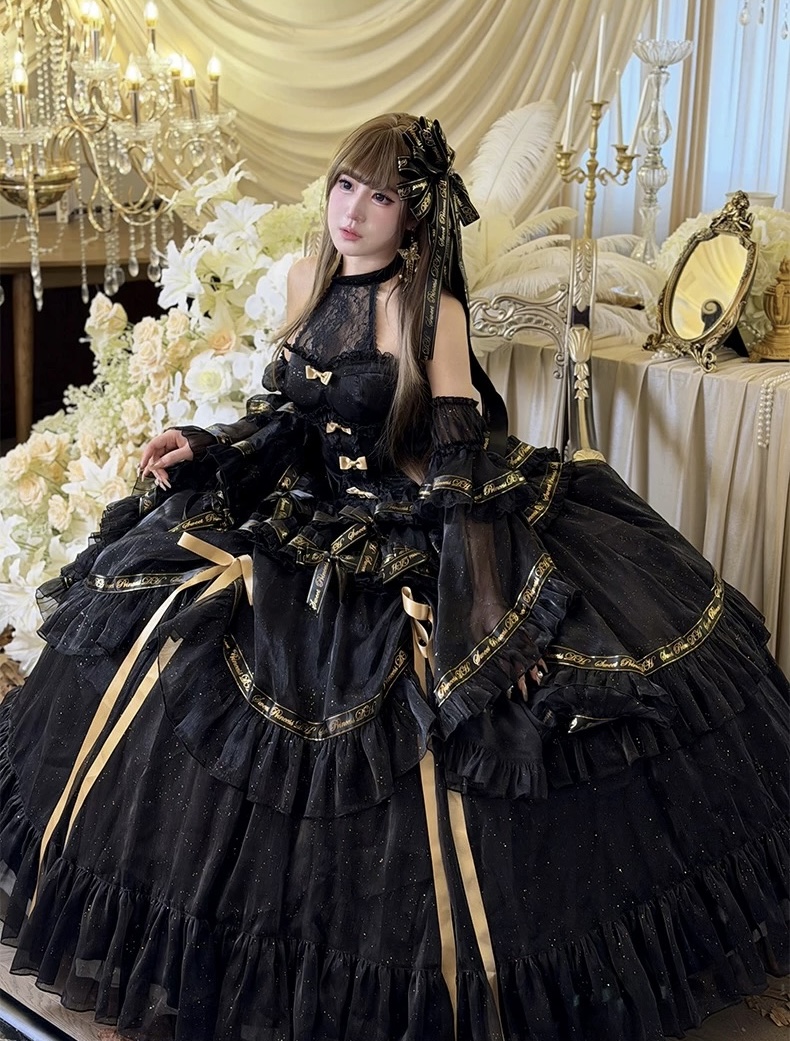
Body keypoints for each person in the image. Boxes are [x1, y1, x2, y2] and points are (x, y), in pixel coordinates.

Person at [0, 112, 787, 1041]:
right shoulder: (307, 279)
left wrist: (491, 618)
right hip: (316, 518)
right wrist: (206, 444)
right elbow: (288, 421)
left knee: (452, 729)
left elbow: (458, 469)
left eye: (380, 196)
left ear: (414, 216)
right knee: (178, 635)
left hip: (420, 523)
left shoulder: (430, 312)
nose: (353, 210)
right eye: (345, 185)